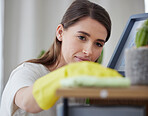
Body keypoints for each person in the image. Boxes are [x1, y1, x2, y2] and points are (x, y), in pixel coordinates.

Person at [0, 0, 111, 115]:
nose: (89, 51)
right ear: (60, 33)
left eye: (98, 44)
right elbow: (28, 102)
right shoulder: (27, 71)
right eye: (82, 37)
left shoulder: (78, 87)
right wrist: (68, 73)